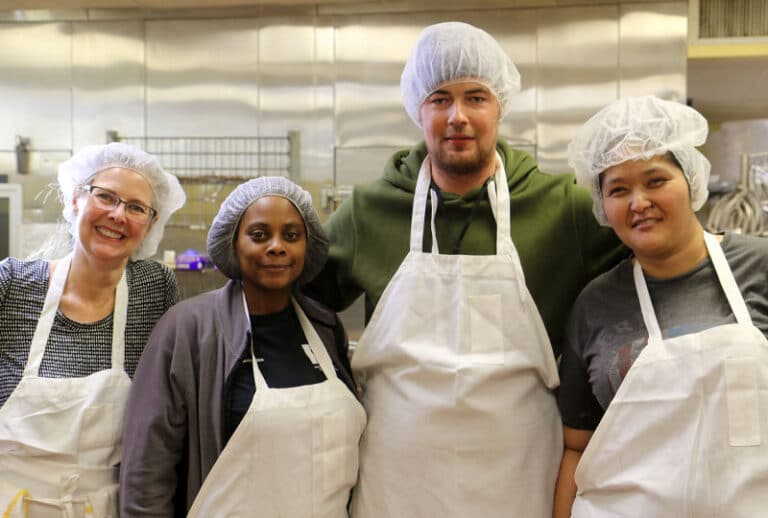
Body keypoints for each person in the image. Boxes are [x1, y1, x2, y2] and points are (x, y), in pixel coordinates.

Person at [305, 21, 627, 517]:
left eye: (475, 97)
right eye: (440, 99)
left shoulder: (561, 208)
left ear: (500, 105)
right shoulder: (371, 210)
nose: (457, 116)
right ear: (419, 109)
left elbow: (648, 267)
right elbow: (297, 301)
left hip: (519, 477)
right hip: (398, 480)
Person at [554, 95, 768, 517]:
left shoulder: (759, 266)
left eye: (655, 181)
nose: (639, 202)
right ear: (603, 205)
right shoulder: (594, 304)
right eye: (618, 189)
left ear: (690, 180)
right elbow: (576, 448)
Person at [119, 176, 365, 517]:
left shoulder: (324, 327)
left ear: (308, 246)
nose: (277, 246)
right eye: (259, 235)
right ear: (233, 243)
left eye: (291, 236)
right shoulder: (189, 330)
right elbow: (147, 472)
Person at [0, 142, 185, 518]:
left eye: (136, 207)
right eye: (105, 197)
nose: (118, 215)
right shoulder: (12, 285)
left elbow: (171, 414)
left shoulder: (155, 290)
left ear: (151, 224)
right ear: (74, 201)